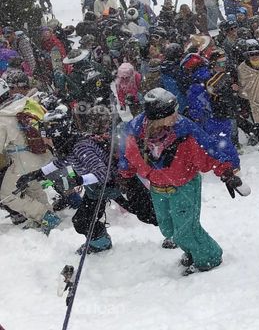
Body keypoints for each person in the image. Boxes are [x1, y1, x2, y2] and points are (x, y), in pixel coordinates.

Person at [119, 88, 249, 274]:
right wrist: (125, 173)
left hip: (184, 186)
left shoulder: (183, 131)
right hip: (157, 188)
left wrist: (226, 172)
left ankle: (208, 258)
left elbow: (209, 150)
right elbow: (127, 154)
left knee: (187, 229)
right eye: (171, 113)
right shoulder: (135, 132)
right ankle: (192, 250)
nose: (176, 116)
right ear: (158, 117)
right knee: (168, 228)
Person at [20, 104, 157, 253]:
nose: (45, 141)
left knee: (148, 213)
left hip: (119, 184)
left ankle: (176, 232)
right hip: (97, 190)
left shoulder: (81, 147)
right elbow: (60, 162)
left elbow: (103, 173)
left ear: (57, 135)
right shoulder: (69, 145)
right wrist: (35, 174)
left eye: (47, 137)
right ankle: (101, 242)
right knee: (82, 221)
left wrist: (79, 180)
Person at [0, 78, 58, 232]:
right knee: (32, 185)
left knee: (6, 194)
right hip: (43, 153)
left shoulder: (2, 118)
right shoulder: (24, 102)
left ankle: (44, 216)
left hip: (24, 161)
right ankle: (47, 214)